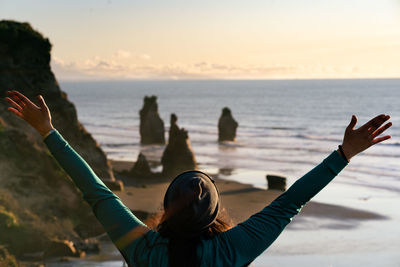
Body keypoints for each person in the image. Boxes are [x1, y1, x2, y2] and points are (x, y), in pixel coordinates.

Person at [5, 90, 392, 267]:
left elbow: (96, 191)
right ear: (214, 214)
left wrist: (48, 133)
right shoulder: (233, 249)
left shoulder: (143, 250)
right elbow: (290, 203)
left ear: (166, 207)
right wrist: (344, 154)